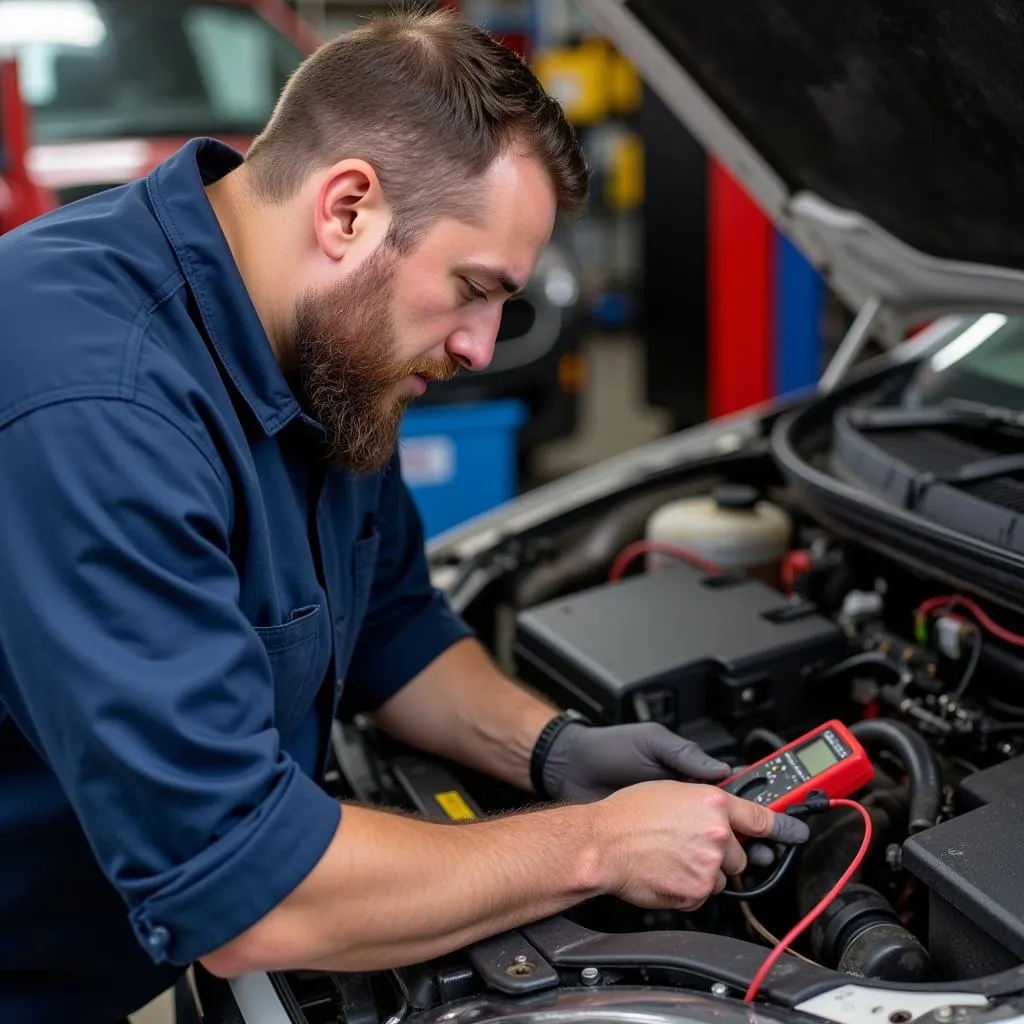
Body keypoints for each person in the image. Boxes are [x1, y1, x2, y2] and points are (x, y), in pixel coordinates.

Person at [0, 9, 808, 1023]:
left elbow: (390, 624)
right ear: (347, 210)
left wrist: (551, 748)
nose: (479, 345)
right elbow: (247, 891)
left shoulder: (322, 346)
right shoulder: (92, 402)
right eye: (473, 289)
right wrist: (597, 843)